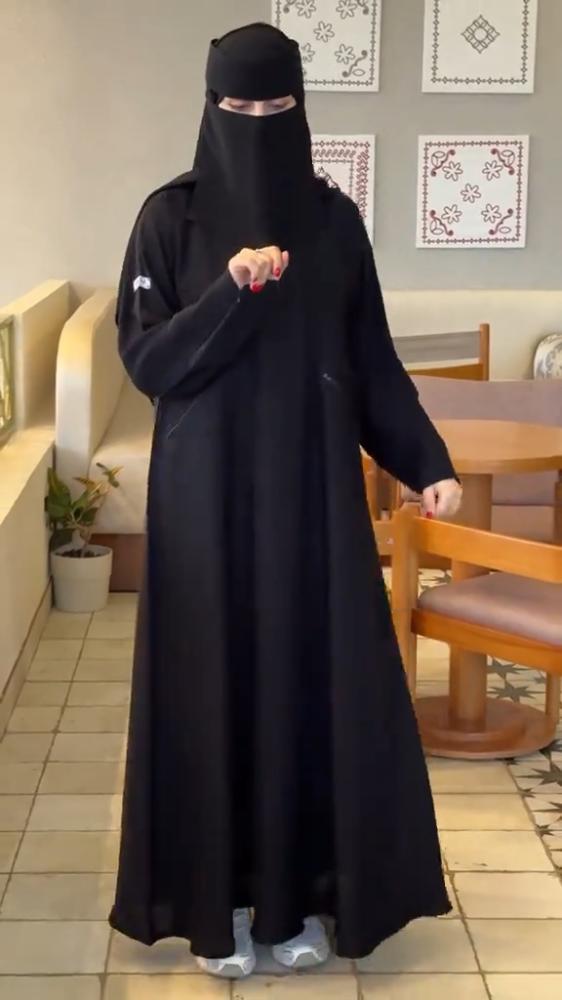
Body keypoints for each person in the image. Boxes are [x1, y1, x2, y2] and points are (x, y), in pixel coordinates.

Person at [109, 22, 462, 980]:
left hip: (311, 497)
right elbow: (149, 362)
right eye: (239, 104)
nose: (258, 120)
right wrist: (232, 290)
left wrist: (424, 457)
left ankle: (297, 896)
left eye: (278, 104)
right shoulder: (170, 220)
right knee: (210, 681)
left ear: (302, 107)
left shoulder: (332, 223)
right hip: (205, 502)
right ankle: (216, 904)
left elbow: (370, 361)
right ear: (210, 106)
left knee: (310, 683)